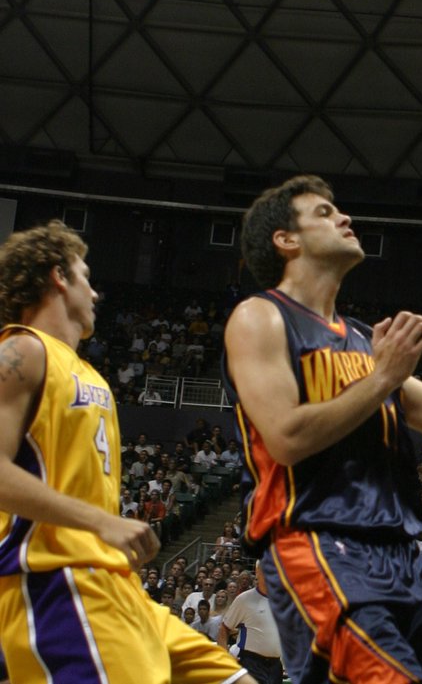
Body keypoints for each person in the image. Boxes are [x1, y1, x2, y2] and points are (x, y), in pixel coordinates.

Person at [223, 175, 422, 683]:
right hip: (317, 546)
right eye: (324, 213)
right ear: (286, 240)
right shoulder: (260, 317)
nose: (344, 217)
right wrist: (383, 378)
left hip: (399, 557)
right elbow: (285, 438)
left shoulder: (360, 339)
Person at [0, 221, 247, 684]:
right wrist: (103, 522)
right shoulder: (21, 350)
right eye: (86, 277)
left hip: (119, 586)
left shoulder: (91, 376)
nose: (95, 293)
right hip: (59, 581)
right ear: (58, 275)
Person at [219, 562, 283, 683]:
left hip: (275, 665)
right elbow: (224, 628)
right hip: (251, 663)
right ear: (257, 572)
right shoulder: (244, 599)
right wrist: (225, 656)